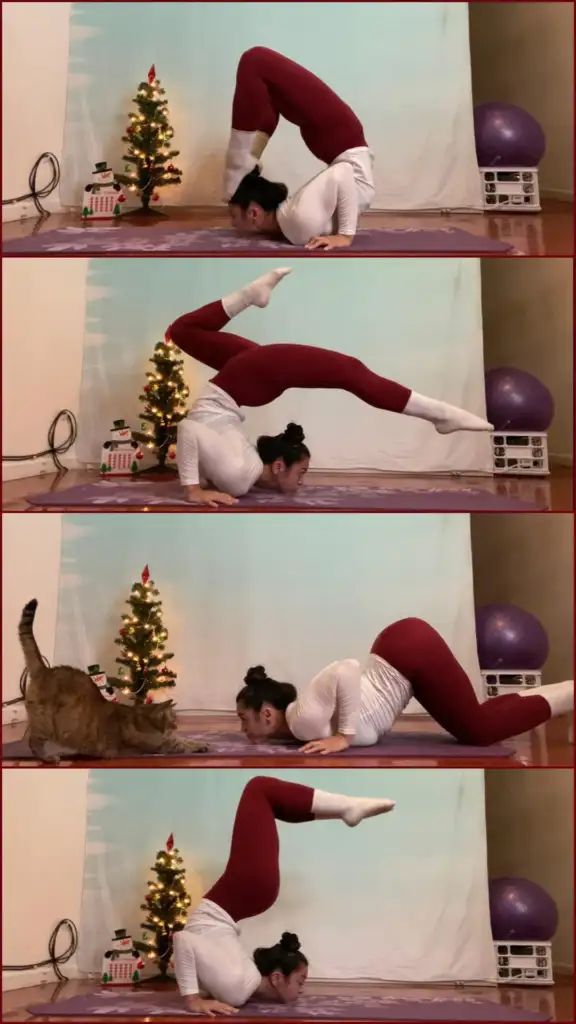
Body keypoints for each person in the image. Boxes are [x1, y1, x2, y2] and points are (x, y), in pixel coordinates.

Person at [167, 268, 492, 506]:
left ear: (278, 467)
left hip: (241, 386)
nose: (303, 479)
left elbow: (188, 429)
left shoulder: (238, 479)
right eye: (304, 473)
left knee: (348, 371)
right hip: (240, 388)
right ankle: (250, 296)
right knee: (183, 331)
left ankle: (438, 414)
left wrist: (192, 489)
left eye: (302, 473)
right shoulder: (244, 478)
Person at [173, 775, 395, 1015]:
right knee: (261, 793)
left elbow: (183, 939)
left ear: (277, 978)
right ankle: (346, 808)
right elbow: (192, 946)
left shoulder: (236, 988)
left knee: (260, 791)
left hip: (244, 894)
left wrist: (193, 1000)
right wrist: (199, 993)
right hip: (243, 897)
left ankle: (346, 808)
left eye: (300, 981)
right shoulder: (238, 987)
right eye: (301, 981)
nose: (302, 990)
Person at [235, 618, 574, 750]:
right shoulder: (300, 727)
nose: (241, 728)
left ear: (266, 714)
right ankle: (559, 693)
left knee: (479, 732)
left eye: (243, 718)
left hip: (408, 654)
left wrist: (344, 737)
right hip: (403, 655)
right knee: (476, 723)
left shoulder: (302, 721)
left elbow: (347, 669)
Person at [223, 47, 375, 250]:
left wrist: (344, 234)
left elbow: (343, 176)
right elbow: (344, 171)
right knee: (255, 60)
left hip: (335, 142)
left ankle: (240, 165)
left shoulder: (293, 223)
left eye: (233, 216)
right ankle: (239, 165)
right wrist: (345, 236)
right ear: (254, 213)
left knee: (265, 82)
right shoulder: (297, 222)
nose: (231, 224)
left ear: (253, 212)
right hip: (340, 137)